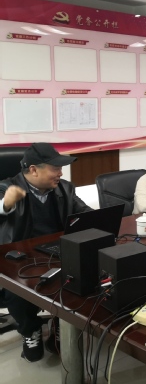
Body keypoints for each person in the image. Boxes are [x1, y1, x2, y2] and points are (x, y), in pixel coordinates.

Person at [0, 143, 92, 362]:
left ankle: (62, 325)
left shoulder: (65, 188)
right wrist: (6, 204)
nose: (61, 173)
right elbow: (2, 206)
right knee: (17, 292)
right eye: (55, 168)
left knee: (79, 278)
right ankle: (30, 330)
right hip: (19, 258)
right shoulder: (7, 187)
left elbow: (85, 214)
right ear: (34, 170)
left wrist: (103, 219)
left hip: (56, 251)